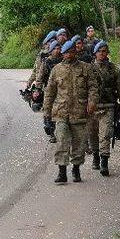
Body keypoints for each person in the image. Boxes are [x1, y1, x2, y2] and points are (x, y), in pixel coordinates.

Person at [43, 40, 98, 184]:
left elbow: (93, 87)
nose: (69, 54)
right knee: (61, 141)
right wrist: (47, 112)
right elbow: (49, 92)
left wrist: (92, 102)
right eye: (66, 52)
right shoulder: (56, 70)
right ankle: (62, 172)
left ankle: (76, 169)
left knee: (79, 144)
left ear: (75, 52)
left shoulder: (86, 68)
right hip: (61, 113)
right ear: (62, 53)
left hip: (80, 112)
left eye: (72, 51)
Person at [88, 40, 120, 176]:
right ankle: (95, 155)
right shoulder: (88, 69)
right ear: (95, 53)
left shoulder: (114, 70)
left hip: (108, 107)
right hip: (91, 108)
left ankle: (104, 162)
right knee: (92, 134)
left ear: (107, 53)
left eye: (104, 51)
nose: (102, 54)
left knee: (105, 134)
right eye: (99, 51)